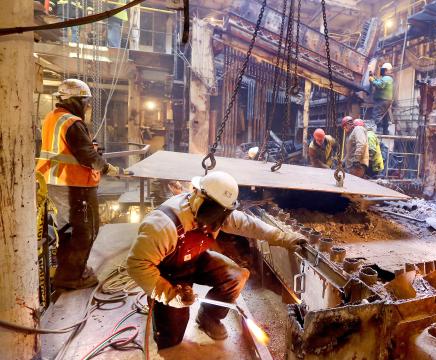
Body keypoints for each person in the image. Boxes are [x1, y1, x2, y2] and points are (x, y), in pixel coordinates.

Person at [126, 171, 306, 349]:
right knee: (171, 340)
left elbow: (249, 224)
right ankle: (159, 311)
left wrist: (283, 238)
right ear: (197, 195)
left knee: (237, 276)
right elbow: (137, 265)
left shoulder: (218, 213)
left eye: (221, 215)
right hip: (170, 274)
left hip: (196, 261)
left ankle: (208, 317)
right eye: (213, 214)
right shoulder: (163, 225)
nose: (214, 223)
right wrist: (171, 296)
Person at [36, 79, 125, 289]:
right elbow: (86, 156)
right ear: (77, 100)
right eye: (85, 102)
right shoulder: (72, 122)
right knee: (85, 230)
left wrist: (91, 149)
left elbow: (72, 149)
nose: (87, 107)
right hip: (75, 185)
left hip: (56, 181)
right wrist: (110, 169)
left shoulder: (53, 117)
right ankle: (72, 277)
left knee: (67, 227)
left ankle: (68, 269)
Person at [369, 62, 394, 135]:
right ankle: (385, 130)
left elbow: (380, 85)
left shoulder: (387, 78)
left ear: (386, 70)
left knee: (377, 114)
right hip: (386, 100)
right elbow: (380, 82)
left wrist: (372, 80)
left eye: (383, 70)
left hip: (382, 100)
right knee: (384, 116)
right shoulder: (387, 78)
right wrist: (374, 78)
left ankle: (379, 129)